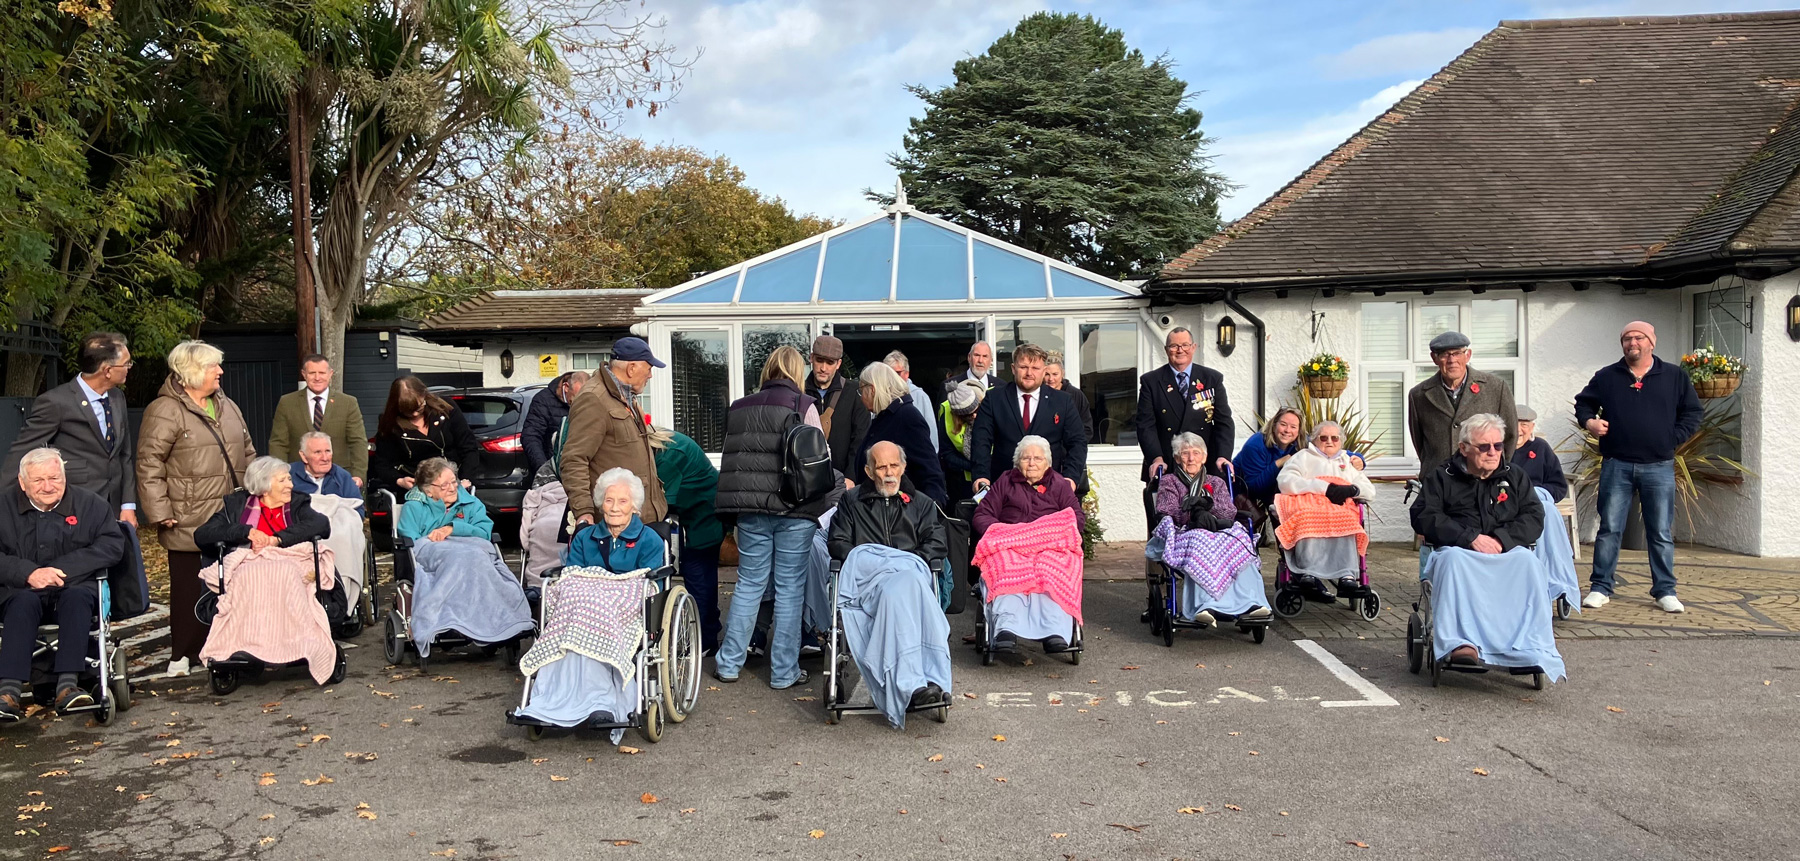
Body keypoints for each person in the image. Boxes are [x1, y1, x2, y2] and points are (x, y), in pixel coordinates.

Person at [715, 346, 841, 690]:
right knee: (789, 591)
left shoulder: (739, 408)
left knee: (748, 585)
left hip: (751, 510)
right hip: (795, 510)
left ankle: (728, 664)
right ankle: (784, 672)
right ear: (797, 372)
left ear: (768, 369)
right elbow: (821, 458)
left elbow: (734, 459)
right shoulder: (804, 406)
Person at [1410, 414, 1563, 680]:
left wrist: (1502, 539)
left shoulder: (1514, 476)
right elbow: (1424, 515)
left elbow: (1533, 516)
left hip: (1503, 552)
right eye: (1484, 447)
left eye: (1498, 446)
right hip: (1458, 550)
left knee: (1529, 563)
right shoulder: (1441, 477)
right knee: (1453, 560)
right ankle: (1461, 643)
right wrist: (1469, 537)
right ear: (1464, 448)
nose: (1493, 452)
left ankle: (1528, 645)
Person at [516, 468, 665, 738]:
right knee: (573, 604)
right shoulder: (585, 538)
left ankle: (603, 701)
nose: (615, 508)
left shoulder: (649, 540)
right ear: (599, 503)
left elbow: (651, 583)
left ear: (635, 506)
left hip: (623, 607)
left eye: (622, 501)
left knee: (591, 611)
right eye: (609, 501)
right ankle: (546, 700)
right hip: (583, 607)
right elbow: (573, 575)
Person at [137, 339, 256, 678]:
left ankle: (230, 645)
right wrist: (159, 512)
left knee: (235, 581)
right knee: (190, 586)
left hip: (232, 511)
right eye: (211, 366)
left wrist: (257, 493)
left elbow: (247, 451)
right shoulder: (164, 410)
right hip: (187, 515)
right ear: (190, 372)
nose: (220, 371)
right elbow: (149, 464)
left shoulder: (226, 404)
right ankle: (185, 653)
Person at [1574, 321, 1703, 614]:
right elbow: (1583, 404)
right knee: (1609, 529)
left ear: (1651, 342)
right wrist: (1590, 422)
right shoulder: (1607, 376)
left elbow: (1693, 413)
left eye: (1639, 337)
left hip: (1659, 465)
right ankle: (1600, 587)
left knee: (1659, 531)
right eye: (1627, 338)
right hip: (1616, 464)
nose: (1633, 342)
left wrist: (1673, 438)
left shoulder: (1674, 376)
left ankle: (1665, 591)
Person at [826, 440, 953, 728]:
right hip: (870, 586)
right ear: (869, 471)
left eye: (894, 465)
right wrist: (881, 562)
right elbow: (838, 543)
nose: (889, 473)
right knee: (902, 586)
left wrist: (904, 564)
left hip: (910, 582)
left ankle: (912, 683)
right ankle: (915, 684)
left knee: (905, 583)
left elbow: (936, 543)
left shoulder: (921, 503)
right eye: (881, 466)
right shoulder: (851, 501)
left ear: (904, 467)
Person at [0, 448, 126, 719]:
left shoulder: (91, 505)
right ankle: (8, 691)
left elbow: (112, 545)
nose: (48, 487)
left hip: (74, 588)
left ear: (64, 477)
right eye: (38, 481)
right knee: (22, 602)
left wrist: (61, 571)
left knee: (78, 598)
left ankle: (68, 686)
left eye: (54, 478)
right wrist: (27, 573)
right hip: (18, 591)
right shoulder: (3, 506)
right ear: (22, 483)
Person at [396, 458, 533, 656]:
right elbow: (412, 542)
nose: (452, 488)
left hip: (473, 548)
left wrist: (454, 528)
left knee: (477, 556)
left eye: (454, 482)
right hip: (434, 550)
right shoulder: (414, 507)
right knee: (464, 559)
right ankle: (452, 618)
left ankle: (494, 618)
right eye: (444, 485)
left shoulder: (470, 503)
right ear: (428, 490)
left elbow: (484, 533)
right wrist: (437, 538)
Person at [4, 332, 138, 525]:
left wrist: (128, 505)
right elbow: (21, 453)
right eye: (126, 363)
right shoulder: (56, 402)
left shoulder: (117, 397)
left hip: (113, 510)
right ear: (107, 370)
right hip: (73, 508)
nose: (129, 368)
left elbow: (123, 455)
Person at [972, 436, 1084, 654]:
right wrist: (1006, 533)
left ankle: (1055, 631)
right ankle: (1006, 628)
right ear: (1017, 462)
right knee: (1007, 567)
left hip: (1049, 546)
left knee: (1050, 570)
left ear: (1047, 463)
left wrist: (1047, 533)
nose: (1031, 463)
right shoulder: (1005, 482)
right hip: (1011, 545)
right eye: (1026, 458)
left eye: (1037, 458)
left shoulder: (1059, 484)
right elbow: (982, 515)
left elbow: (1076, 519)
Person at [1147, 433, 1271, 626]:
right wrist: (1193, 513)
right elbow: (1167, 510)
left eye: (1196, 453)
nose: (1191, 458)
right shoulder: (1170, 481)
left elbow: (1228, 512)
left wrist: (1206, 506)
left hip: (1218, 530)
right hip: (1186, 531)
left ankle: (1252, 603)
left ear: (1204, 457)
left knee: (1240, 542)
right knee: (1201, 542)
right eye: (1185, 453)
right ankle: (1206, 606)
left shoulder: (1216, 482)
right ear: (1177, 458)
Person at [1135, 326, 1233, 536]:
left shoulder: (1211, 379)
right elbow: (1145, 425)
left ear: (1193, 347)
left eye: (1185, 345)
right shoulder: (1151, 381)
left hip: (1203, 463)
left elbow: (1224, 422)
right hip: (1167, 463)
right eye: (1174, 346)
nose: (1180, 350)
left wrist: (1223, 456)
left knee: (1211, 517)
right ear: (1166, 349)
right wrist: (1155, 458)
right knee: (1164, 520)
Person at [562, 337, 666, 528]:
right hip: (614, 525)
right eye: (649, 368)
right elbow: (573, 459)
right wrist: (584, 512)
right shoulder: (594, 399)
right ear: (631, 368)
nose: (650, 376)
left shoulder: (625, 397)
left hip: (639, 520)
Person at [1274, 421, 1376, 601]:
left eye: (1334, 438)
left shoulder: (1347, 461)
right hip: (1309, 504)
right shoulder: (1303, 456)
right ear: (1315, 440)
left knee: (1347, 520)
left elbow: (1369, 490)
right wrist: (1323, 487)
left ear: (1341, 441)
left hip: (1339, 508)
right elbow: (1285, 480)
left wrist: (1352, 490)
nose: (1329, 441)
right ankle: (1308, 572)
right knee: (1308, 517)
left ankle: (1347, 575)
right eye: (1324, 437)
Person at [970, 343, 1088, 496]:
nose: (1029, 373)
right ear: (1013, 368)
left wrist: (1070, 478)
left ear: (1043, 371)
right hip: (1004, 490)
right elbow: (981, 441)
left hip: (1049, 491)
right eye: (1023, 367)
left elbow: (1077, 442)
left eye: (1035, 368)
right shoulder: (994, 399)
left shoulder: (1062, 401)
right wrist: (981, 476)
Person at [648, 426, 724, 654]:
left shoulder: (667, 458)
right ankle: (708, 630)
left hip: (705, 511)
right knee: (701, 573)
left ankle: (704, 639)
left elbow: (659, 505)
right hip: (696, 509)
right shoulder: (663, 445)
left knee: (697, 573)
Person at [1407, 331, 1517, 478]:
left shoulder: (1496, 387)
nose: (1452, 360)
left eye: (1457, 353)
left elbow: (1510, 435)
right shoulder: (1419, 395)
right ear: (1434, 358)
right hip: (1438, 481)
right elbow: (1420, 443)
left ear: (1468, 355)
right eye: (1445, 354)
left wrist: (1492, 469)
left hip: (1484, 479)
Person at [288, 432, 368, 613]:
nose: (325, 458)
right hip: (303, 536)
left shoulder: (342, 476)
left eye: (328, 451)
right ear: (303, 456)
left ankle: (342, 601)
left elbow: (357, 512)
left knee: (346, 532)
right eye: (317, 452)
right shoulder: (289, 476)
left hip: (338, 534)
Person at [369, 376, 479, 502]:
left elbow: (469, 447)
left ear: (424, 395)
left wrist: (466, 479)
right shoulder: (390, 424)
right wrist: (399, 480)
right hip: (415, 493)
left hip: (454, 486)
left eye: (419, 408)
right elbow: (383, 464)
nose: (415, 414)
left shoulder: (446, 409)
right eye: (408, 411)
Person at [266, 354, 367, 487]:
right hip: (298, 479)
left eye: (322, 373)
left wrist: (358, 474)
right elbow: (278, 443)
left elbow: (358, 441)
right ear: (304, 374)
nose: (317, 378)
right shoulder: (287, 403)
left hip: (338, 479)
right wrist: (280, 474)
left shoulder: (348, 403)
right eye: (312, 373)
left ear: (330, 374)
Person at [853, 362, 947, 505]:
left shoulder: (906, 417)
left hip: (902, 515)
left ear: (872, 390)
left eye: (861, 391)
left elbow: (929, 470)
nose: (860, 397)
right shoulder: (883, 417)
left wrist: (928, 512)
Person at [805, 335, 869, 478]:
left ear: (838, 364)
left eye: (830, 362)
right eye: (819, 360)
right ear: (811, 358)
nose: (823, 368)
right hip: (806, 480)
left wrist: (851, 476)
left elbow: (860, 439)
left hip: (844, 481)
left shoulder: (854, 392)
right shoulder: (799, 393)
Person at [1232, 408, 1303, 509]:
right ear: (1274, 425)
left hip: (1274, 491)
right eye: (1283, 424)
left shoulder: (1302, 446)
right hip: (1243, 493)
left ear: (1299, 431)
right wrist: (1279, 463)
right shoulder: (1255, 445)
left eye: (1293, 427)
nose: (1287, 430)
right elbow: (1253, 488)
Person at [522, 370, 589, 476]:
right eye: (576, 397)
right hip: (551, 468)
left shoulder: (590, 402)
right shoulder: (543, 400)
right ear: (566, 387)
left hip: (579, 470)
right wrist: (544, 470)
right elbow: (531, 436)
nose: (579, 403)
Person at [936, 380, 987, 504]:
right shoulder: (946, 414)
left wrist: (982, 467)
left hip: (990, 474)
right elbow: (946, 452)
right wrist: (972, 466)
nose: (974, 416)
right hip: (961, 479)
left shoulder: (988, 405)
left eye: (976, 411)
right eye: (968, 415)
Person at [883, 351, 938, 453]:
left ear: (907, 374)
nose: (893, 377)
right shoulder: (880, 396)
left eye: (897, 373)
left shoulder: (919, 396)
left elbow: (931, 435)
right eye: (889, 373)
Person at [1510, 406, 1567, 502]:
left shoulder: (1541, 447)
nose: (1518, 430)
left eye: (1524, 425)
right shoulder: (1497, 447)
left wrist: (1537, 493)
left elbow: (1558, 485)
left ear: (1532, 427)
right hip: (1505, 500)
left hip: (1537, 498)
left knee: (1547, 508)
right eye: (1514, 424)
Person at [1043, 351, 1094, 441]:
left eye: (1055, 374)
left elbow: (1086, 429)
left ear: (1062, 373)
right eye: (1047, 374)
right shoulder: (1037, 394)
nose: (1051, 379)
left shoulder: (1076, 395)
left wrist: (1075, 449)